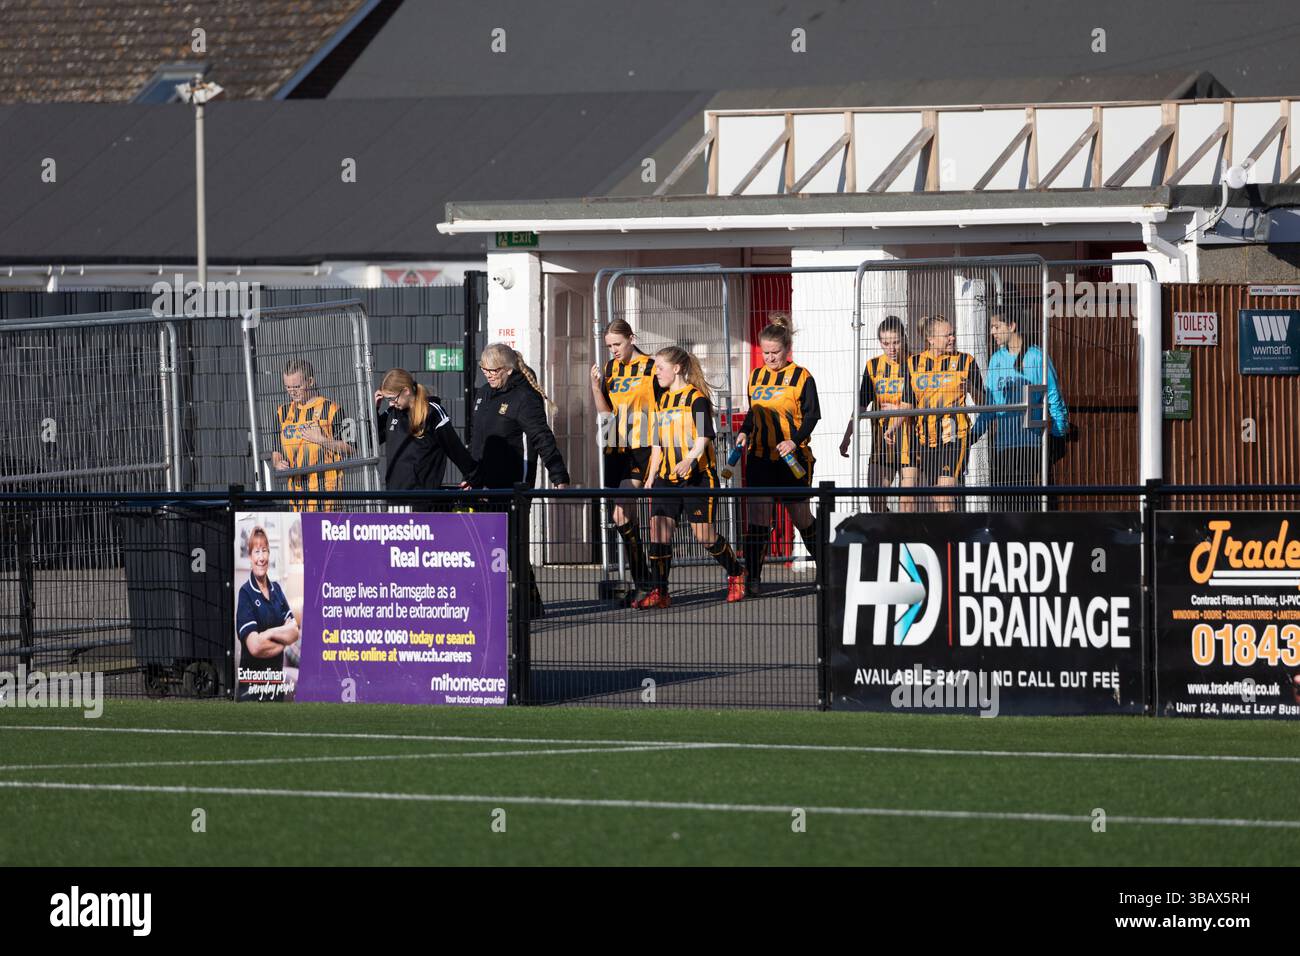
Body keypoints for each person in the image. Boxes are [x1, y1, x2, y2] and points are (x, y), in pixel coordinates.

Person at [466, 343, 570, 616]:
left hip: (514, 481)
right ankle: (500, 603)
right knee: (487, 544)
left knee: (512, 544)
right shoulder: (483, 394)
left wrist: (558, 475)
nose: (488, 374)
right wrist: (472, 476)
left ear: (508, 369)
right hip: (484, 482)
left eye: (494, 370)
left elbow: (541, 438)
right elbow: (478, 442)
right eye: (484, 369)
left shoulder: (524, 398)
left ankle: (528, 601)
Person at [638, 346, 745, 608]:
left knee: (704, 535)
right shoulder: (661, 400)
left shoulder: (695, 399)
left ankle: (737, 573)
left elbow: (703, 437)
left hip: (697, 476)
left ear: (676, 369)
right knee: (659, 532)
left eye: (660, 368)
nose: (656, 373)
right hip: (666, 477)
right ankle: (660, 591)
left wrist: (689, 459)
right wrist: (651, 476)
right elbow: (657, 444)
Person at [736, 315, 821, 597]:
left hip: (792, 459)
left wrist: (794, 441)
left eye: (776, 352)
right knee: (759, 517)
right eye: (766, 353)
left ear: (787, 349)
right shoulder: (756, 376)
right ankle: (753, 579)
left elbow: (812, 416)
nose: (771, 358)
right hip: (760, 457)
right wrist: (745, 431)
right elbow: (754, 412)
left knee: (800, 516)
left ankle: (827, 568)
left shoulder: (802, 376)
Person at [590, 319, 660, 603]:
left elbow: (666, 404)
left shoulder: (652, 366)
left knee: (649, 516)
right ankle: (643, 580)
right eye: (609, 346)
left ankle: (654, 582)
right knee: (620, 515)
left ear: (632, 338)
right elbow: (605, 413)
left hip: (648, 445)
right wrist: (596, 388)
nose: (614, 350)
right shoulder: (610, 369)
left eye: (617, 344)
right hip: (619, 446)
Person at [971, 309, 1069, 511]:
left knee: (1029, 505)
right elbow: (991, 404)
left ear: (1012, 326)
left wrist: (1059, 433)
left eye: (996, 327)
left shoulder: (1035, 357)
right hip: (1003, 446)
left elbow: (1052, 395)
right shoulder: (996, 360)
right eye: (991, 327)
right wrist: (974, 434)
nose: (992, 332)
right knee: (1005, 505)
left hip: (1030, 444)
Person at [906, 314, 986, 512]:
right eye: (947, 335)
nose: (952, 338)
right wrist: (892, 428)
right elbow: (907, 404)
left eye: (953, 334)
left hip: (954, 437)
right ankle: (950, 537)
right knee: (937, 497)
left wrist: (970, 389)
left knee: (945, 493)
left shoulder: (965, 361)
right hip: (925, 439)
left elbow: (984, 402)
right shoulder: (913, 363)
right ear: (931, 339)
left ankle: (950, 542)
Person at [840, 315, 916, 513]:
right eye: (886, 343)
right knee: (876, 502)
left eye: (896, 342)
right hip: (882, 444)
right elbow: (861, 405)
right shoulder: (873, 366)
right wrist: (848, 435)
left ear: (904, 338)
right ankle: (891, 536)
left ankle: (905, 540)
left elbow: (925, 401)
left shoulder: (916, 363)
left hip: (912, 442)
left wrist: (900, 410)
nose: (891, 348)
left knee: (907, 504)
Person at [374, 368, 476, 508]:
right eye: (387, 399)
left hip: (423, 500)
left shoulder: (432, 412)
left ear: (406, 391)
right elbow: (370, 439)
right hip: (395, 499)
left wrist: (474, 479)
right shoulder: (392, 413)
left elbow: (455, 449)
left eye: (392, 398)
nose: (391, 403)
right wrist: (374, 410)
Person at [272, 358, 354, 511]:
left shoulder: (332, 409)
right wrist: (277, 463)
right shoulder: (282, 413)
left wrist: (322, 440)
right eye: (287, 387)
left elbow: (351, 448)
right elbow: (276, 451)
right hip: (296, 498)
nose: (292, 392)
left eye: (297, 386)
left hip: (327, 497)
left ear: (310, 381)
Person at [235, 525, 300, 702]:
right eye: (256, 552)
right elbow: (255, 647)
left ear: (269, 555)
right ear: (250, 557)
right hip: (252, 687)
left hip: (275, 685)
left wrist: (269, 634)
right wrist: (282, 641)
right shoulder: (245, 593)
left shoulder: (277, 590)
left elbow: (294, 631)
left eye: (264, 551)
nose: (261, 557)